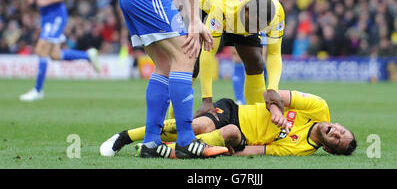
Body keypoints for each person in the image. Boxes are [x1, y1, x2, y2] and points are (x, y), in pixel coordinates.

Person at [117, 0, 266, 159]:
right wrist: (195, 21)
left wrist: (188, 15)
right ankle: (186, 139)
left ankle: (151, 143)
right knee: (186, 55)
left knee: (165, 63)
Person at [100, 89, 357, 157]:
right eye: (341, 129)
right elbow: (273, 94)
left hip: (241, 135)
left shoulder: (302, 148)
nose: (335, 131)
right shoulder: (319, 107)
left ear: (328, 149)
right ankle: (127, 136)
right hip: (234, 110)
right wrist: (277, 109)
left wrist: (226, 153)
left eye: (336, 138)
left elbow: (262, 149)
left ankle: (167, 151)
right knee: (199, 127)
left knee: (230, 133)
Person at [193, 0, 285, 120]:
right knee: (193, 62)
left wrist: (273, 89)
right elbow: (208, 52)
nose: (253, 30)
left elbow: (274, 54)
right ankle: (176, 121)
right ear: (246, 9)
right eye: (252, 24)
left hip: (238, 7)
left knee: (256, 62)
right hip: (202, 3)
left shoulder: (276, 14)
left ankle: (258, 118)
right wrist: (207, 100)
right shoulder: (222, 7)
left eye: (259, 27)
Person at [19, 0, 100, 102]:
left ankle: (38, 90)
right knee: (54, 55)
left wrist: (47, 1)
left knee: (41, 50)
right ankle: (87, 56)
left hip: (56, 16)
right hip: (45, 16)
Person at [219, 0, 277, 104]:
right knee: (237, 56)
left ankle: (261, 99)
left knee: (260, 56)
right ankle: (240, 101)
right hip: (236, 12)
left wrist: (269, 14)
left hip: (259, 13)